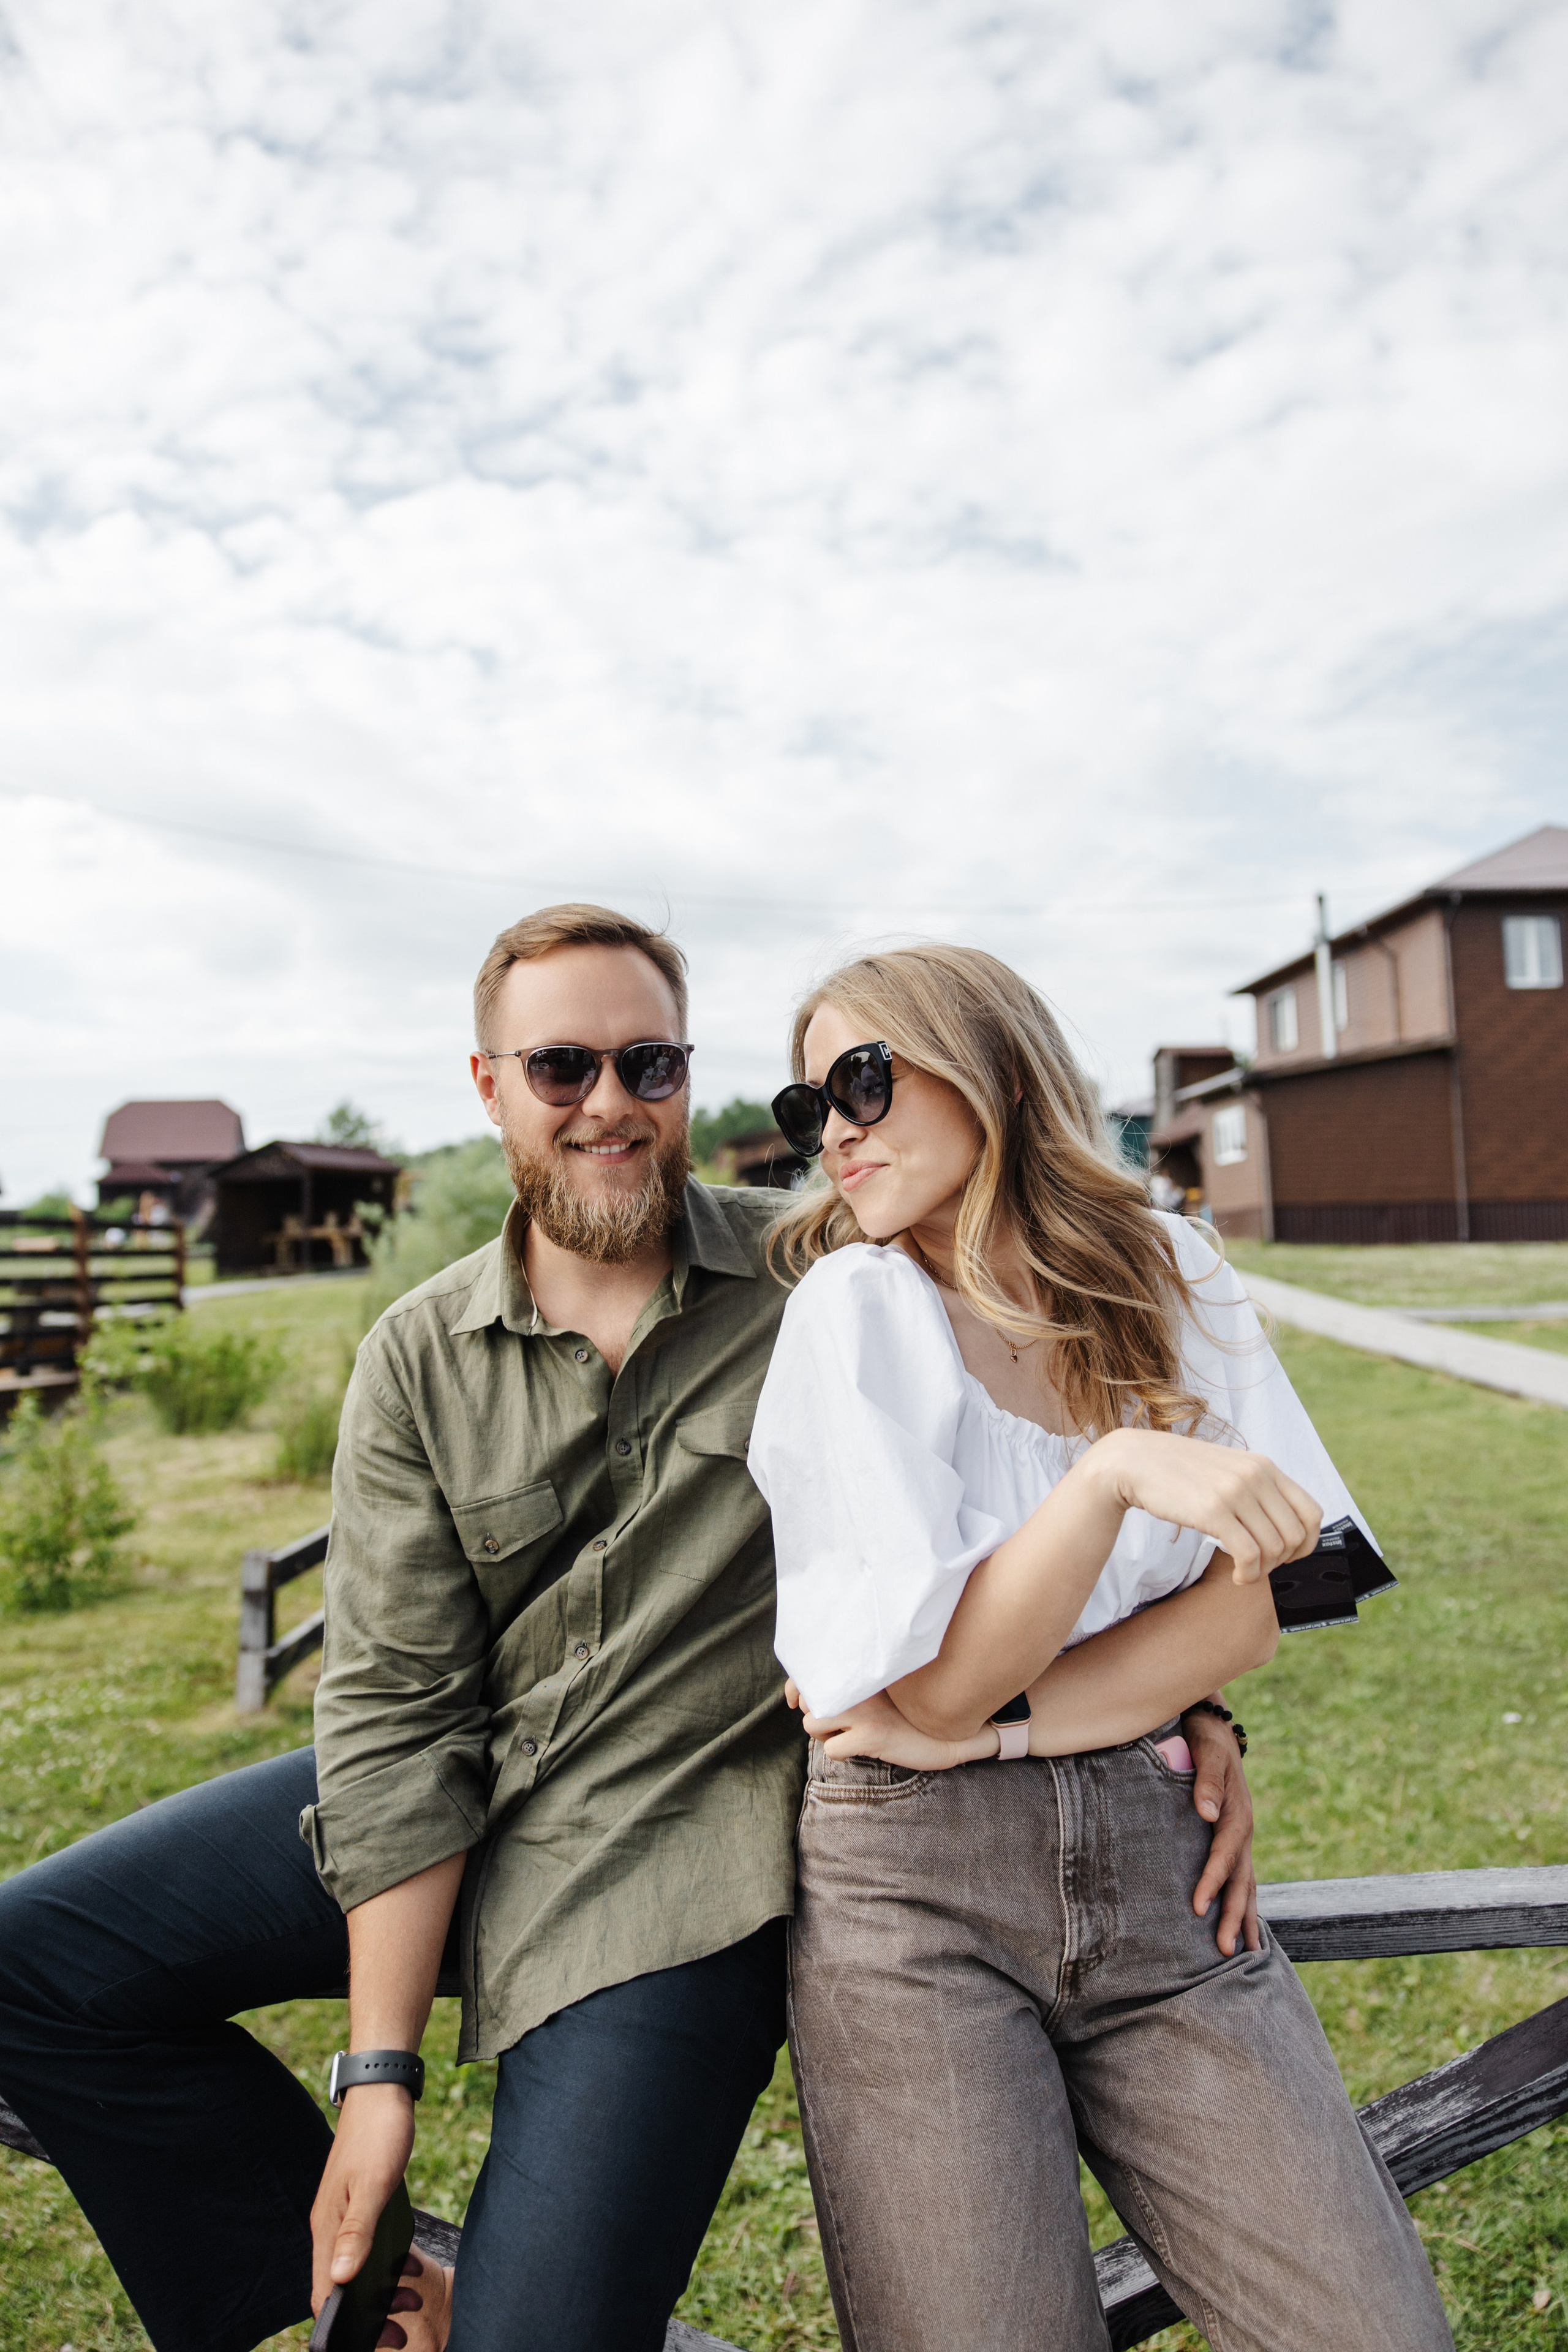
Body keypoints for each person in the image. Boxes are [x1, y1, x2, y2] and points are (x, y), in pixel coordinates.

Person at [0, 906, 1254, 2352]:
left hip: (682, 1850)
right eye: (561, 1068)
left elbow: (1043, 1469)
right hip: (475, 1785)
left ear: (684, 1076)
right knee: (37, 1959)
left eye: (648, 1065)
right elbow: (398, 1715)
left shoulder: (826, 1277)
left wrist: (1182, 1703)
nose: (610, 1105)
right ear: (489, 1087)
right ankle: (364, 2303)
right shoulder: (419, 1351)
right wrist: (377, 2075)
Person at [748, 942, 1452, 2352]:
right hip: (911, 1897)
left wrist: (1010, 1723)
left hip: (1158, 1868)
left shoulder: (1170, 1270)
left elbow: (1248, 1610)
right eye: (806, 1104)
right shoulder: (857, 1310)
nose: (835, 1129)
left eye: (865, 1081)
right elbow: (931, 1678)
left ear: (990, 1068)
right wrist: (1109, 1473)